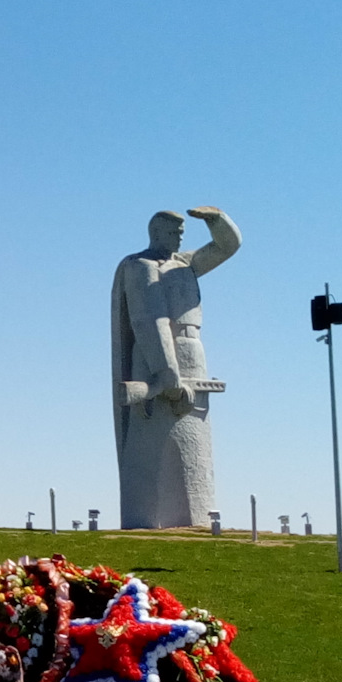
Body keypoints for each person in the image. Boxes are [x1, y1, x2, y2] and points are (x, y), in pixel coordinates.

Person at [111, 206, 241, 529]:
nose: (180, 237)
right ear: (156, 232)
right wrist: (167, 372)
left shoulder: (186, 263)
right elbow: (148, 320)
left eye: (182, 232)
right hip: (155, 360)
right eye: (173, 232)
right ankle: (148, 519)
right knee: (154, 446)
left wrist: (216, 220)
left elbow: (228, 246)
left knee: (195, 443)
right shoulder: (141, 266)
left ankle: (198, 518)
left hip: (192, 350)